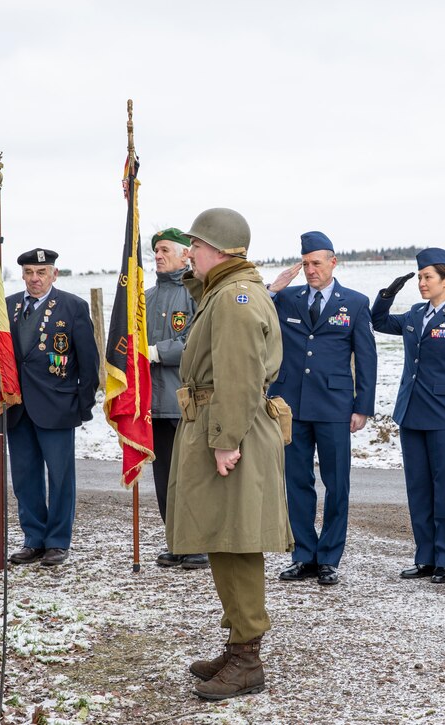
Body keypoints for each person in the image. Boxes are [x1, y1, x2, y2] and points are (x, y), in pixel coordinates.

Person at [166, 208, 293, 701]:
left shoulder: (236, 299)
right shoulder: (223, 292)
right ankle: (240, 643)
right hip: (222, 423)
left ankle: (247, 661)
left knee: (237, 542)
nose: (188, 253)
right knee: (224, 536)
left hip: (228, 427)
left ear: (219, 249)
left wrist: (226, 442)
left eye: (195, 245)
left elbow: (239, 378)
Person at [266, 231, 377, 586]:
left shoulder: (355, 303)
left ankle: (329, 557)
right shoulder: (286, 299)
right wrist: (273, 288)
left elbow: (367, 358)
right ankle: (304, 555)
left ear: (333, 262)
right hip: (292, 406)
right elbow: (256, 316)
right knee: (297, 482)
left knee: (337, 483)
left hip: (334, 406)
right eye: (305, 263)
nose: (311, 270)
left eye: (317, 262)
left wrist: (363, 406)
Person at [371, 248, 445, 584]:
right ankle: (425, 557)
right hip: (412, 413)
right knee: (418, 488)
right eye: (419, 277)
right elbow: (378, 322)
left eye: (427, 277)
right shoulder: (415, 314)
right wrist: (388, 294)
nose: (422, 282)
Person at [5, 248, 99, 567]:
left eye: (41, 272)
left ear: (54, 274)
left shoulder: (72, 307)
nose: (34, 279)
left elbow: (88, 363)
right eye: (29, 272)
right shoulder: (8, 307)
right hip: (17, 407)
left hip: (57, 405)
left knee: (60, 477)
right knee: (25, 476)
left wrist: (82, 405)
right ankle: (33, 539)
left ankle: (57, 541)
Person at [145, 227, 207, 570]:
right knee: (165, 476)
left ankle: (199, 543)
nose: (158, 255)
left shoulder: (196, 294)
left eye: (165, 249)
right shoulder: (145, 298)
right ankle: (177, 541)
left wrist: (157, 352)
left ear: (186, 254)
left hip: (186, 400)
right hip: (153, 404)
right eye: (155, 250)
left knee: (191, 476)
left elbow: (198, 341)